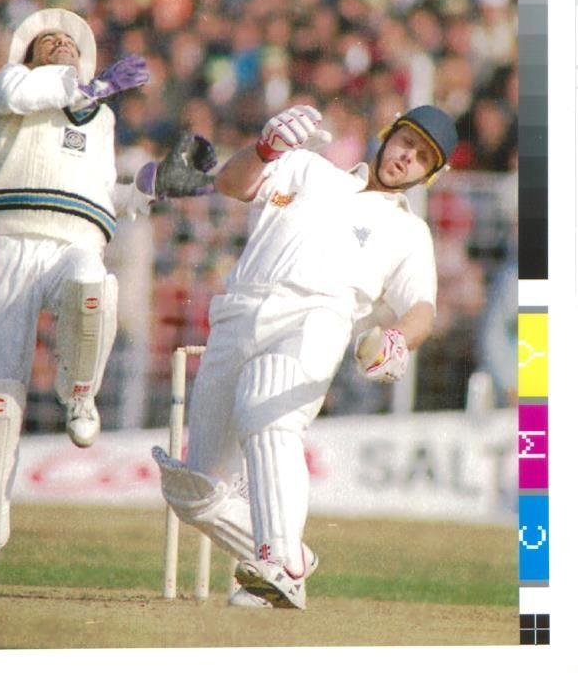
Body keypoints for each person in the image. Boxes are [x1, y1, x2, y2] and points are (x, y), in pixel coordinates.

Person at [153, 101, 458, 610]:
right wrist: (265, 147)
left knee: (267, 413)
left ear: (429, 175)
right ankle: (287, 550)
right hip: (239, 311)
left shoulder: (408, 231)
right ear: (388, 134)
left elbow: (422, 308)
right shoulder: (307, 166)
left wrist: (397, 339)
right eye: (407, 142)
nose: (408, 157)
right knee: (193, 490)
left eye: (423, 157)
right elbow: (233, 184)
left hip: (320, 318)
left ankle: (283, 564)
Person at [0, 7, 215, 591]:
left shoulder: (100, 121)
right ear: (30, 54)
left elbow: (104, 197)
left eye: (71, 44)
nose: (62, 48)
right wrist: (89, 83)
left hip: (77, 239)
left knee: (96, 287)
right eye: (50, 42)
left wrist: (149, 187)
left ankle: (80, 394)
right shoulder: (13, 86)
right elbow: (28, 95)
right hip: (12, 241)